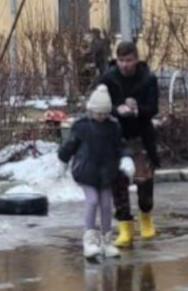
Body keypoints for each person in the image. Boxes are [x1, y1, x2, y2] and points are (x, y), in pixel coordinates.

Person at [99, 41, 161, 248]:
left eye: (129, 60)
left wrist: (136, 110)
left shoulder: (147, 79)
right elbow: (100, 106)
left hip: (140, 135)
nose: (125, 65)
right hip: (115, 137)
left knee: (144, 181)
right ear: (116, 60)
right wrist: (117, 110)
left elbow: (153, 108)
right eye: (121, 60)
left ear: (136, 59)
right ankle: (125, 226)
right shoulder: (108, 79)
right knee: (118, 183)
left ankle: (146, 217)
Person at [59, 84, 128, 262]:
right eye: (100, 113)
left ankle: (106, 241)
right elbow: (70, 145)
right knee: (92, 200)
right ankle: (89, 241)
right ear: (91, 110)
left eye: (106, 113)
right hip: (86, 172)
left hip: (106, 173)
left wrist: (126, 159)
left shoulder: (113, 127)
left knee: (106, 205)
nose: (103, 117)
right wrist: (63, 159)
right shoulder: (81, 126)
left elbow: (120, 146)